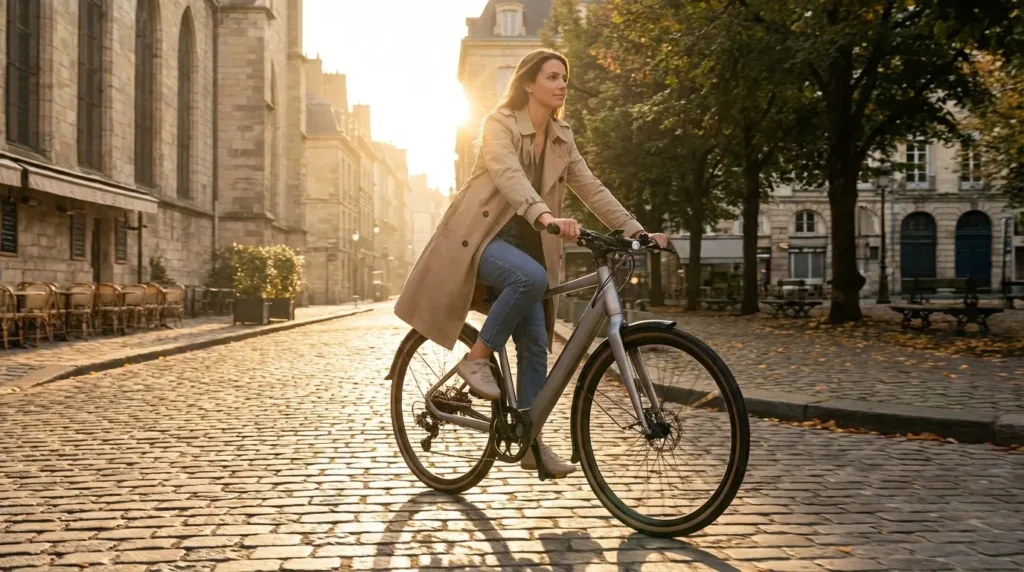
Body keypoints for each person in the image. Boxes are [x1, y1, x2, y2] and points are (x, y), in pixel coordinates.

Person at [394, 49, 668, 477]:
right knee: (532, 278)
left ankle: (530, 442)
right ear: (528, 84)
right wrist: (544, 215)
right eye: (553, 77)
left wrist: (636, 231)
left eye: (565, 78)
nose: (562, 84)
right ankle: (476, 358)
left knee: (537, 345)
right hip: (481, 240)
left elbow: (591, 187)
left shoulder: (562, 137)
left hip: (529, 246)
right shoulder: (497, 124)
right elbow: (508, 175)